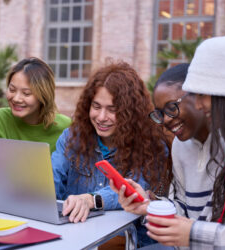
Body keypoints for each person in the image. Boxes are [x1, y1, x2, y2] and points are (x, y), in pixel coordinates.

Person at [52, 61, 170, 246]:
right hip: (71, 238)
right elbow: (53, 179)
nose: (101, 117)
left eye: (112, 110)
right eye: (96, 106)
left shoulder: (152, 145)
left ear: (131, 112)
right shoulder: (71, 138)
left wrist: (91, 200)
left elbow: (132, 190)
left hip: (123, 242)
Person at [146, 36, 225, 248]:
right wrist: (148, 205)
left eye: (202, 94)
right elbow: (209, 215)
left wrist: (191, 233)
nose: (199, 104)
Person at [111, 64, 225, 223]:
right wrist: (148, 205)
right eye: (161, 113)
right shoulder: (180, 146)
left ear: (200, 97)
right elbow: (182, 209)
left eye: (171, 107)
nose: (166, 119)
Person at [0, 57, 71, 153]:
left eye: (26, 93)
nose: (16, 99)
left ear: (44, 95)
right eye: (12, 90)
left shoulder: (66, 127)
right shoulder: (0, 119)